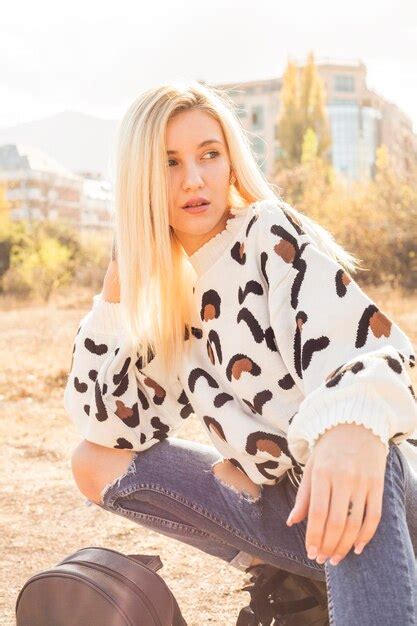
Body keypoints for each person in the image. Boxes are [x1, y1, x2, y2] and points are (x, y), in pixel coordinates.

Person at [64, 80, 417, 625]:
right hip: (294, 507)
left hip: (375, 486)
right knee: (92, 463)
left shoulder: (266, 233)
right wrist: (117, 288)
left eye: (209, 154)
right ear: (141, 180)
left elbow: (375, 353)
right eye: (170, 163)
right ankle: (286, 573)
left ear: (231, 161)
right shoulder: (171, 293)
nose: (195, 179)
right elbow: (107, 427)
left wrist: (348, 431)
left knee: (343, 444)